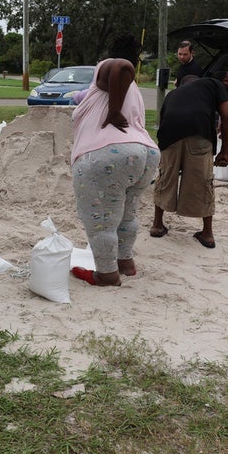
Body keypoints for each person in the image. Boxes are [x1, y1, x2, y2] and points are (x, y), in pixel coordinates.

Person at [70, 34, 160, 287]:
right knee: (127, 214)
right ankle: (125, 263)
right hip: (145, 153)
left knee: (101, 220)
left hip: (108, 153)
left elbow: (122, 66)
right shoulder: (133, 90)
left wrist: (112, 111)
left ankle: (106, 274)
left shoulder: (110, 65)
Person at [150, 75, 228, 249]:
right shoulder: (213, 82)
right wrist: (225, 151)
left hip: (169, 135)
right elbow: (227, 115)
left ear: (181, 84)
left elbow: (162, 121)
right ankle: (207, 233)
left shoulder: (172, 95)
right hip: (199, 133)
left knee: (166, 177)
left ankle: (157, 225)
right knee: (203, 181)